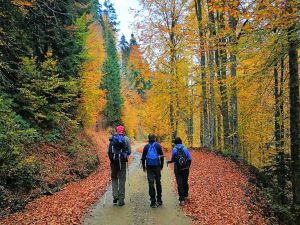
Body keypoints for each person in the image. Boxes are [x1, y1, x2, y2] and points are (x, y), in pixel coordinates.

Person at [107, 125, 131, 206]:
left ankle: (115, 196)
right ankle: (121, 200)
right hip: (122, 162)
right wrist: (125, 155)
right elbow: (129, 152)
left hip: (113, 161)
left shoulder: (112, 138)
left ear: (116, 130)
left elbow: (109, 151)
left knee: (114, 178)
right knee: (122, 179)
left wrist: (112, 159)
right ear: (123, 130)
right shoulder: (126, 139)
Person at [167, 137, 192, 206]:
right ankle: (186, 196)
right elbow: (190, 159)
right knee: (185, 182)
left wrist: (171, 161)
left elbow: (173, 159)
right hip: (186, 169)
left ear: (175, 143)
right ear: (181, 142)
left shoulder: (174, 149)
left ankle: (182, 200)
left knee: (179, 183)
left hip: (177, 169)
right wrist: (188, 166)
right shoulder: (185, 148)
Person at [141, 134, 164, 208]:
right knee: (158, 182)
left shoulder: (146, 146)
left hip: (149, 167)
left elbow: (143, 158)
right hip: (157, 166)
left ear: (148, 139)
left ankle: (153, 202)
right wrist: (161, 166)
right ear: (154, 138)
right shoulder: (158, 145)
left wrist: (144, 167)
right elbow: (162, 156)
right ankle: (159, 200)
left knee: (151, 183)